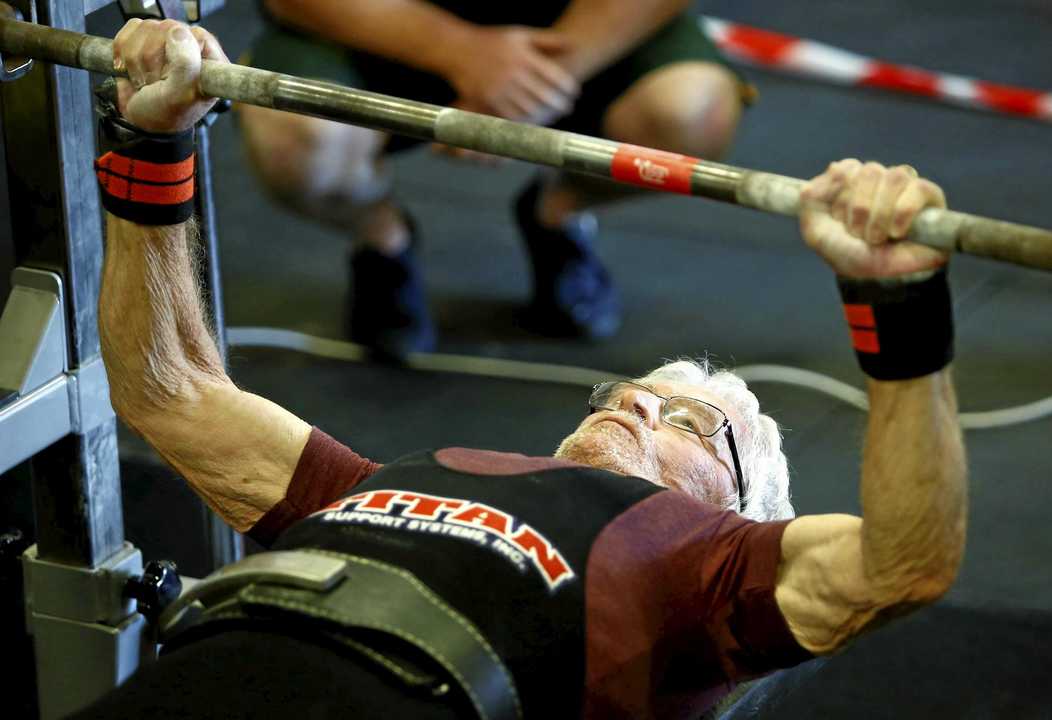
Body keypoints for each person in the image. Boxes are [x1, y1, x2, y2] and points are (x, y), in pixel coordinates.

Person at [87, 19, 966, 720]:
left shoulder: (713, 575)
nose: (637, 405)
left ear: (740, 510)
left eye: (692, 423)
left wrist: (896, 304)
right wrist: (152, 136)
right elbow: (169, 389)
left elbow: (902, 566)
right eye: (636, 393)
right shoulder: (380, 485)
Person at [238, 0, 749, 358]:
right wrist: (467, 54)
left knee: (690, 111)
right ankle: (382, 238)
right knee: (295, 141)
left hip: (574, 25)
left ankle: (557, 211)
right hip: (378, 20)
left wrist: (530, 79)